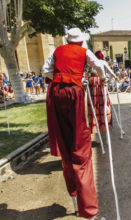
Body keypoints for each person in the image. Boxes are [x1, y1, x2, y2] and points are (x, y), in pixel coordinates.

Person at [42, 27, 106, 219]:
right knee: (80, 144)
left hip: (55, 92)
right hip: (73, 93)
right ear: (80, 41)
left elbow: (45, 70)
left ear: (67, 40)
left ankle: (73, 193)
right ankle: (88, 209)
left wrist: (60, 78)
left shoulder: (57, 51)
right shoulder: (84, 51)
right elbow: (100, 66)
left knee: (65, 140)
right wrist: (102, 80)